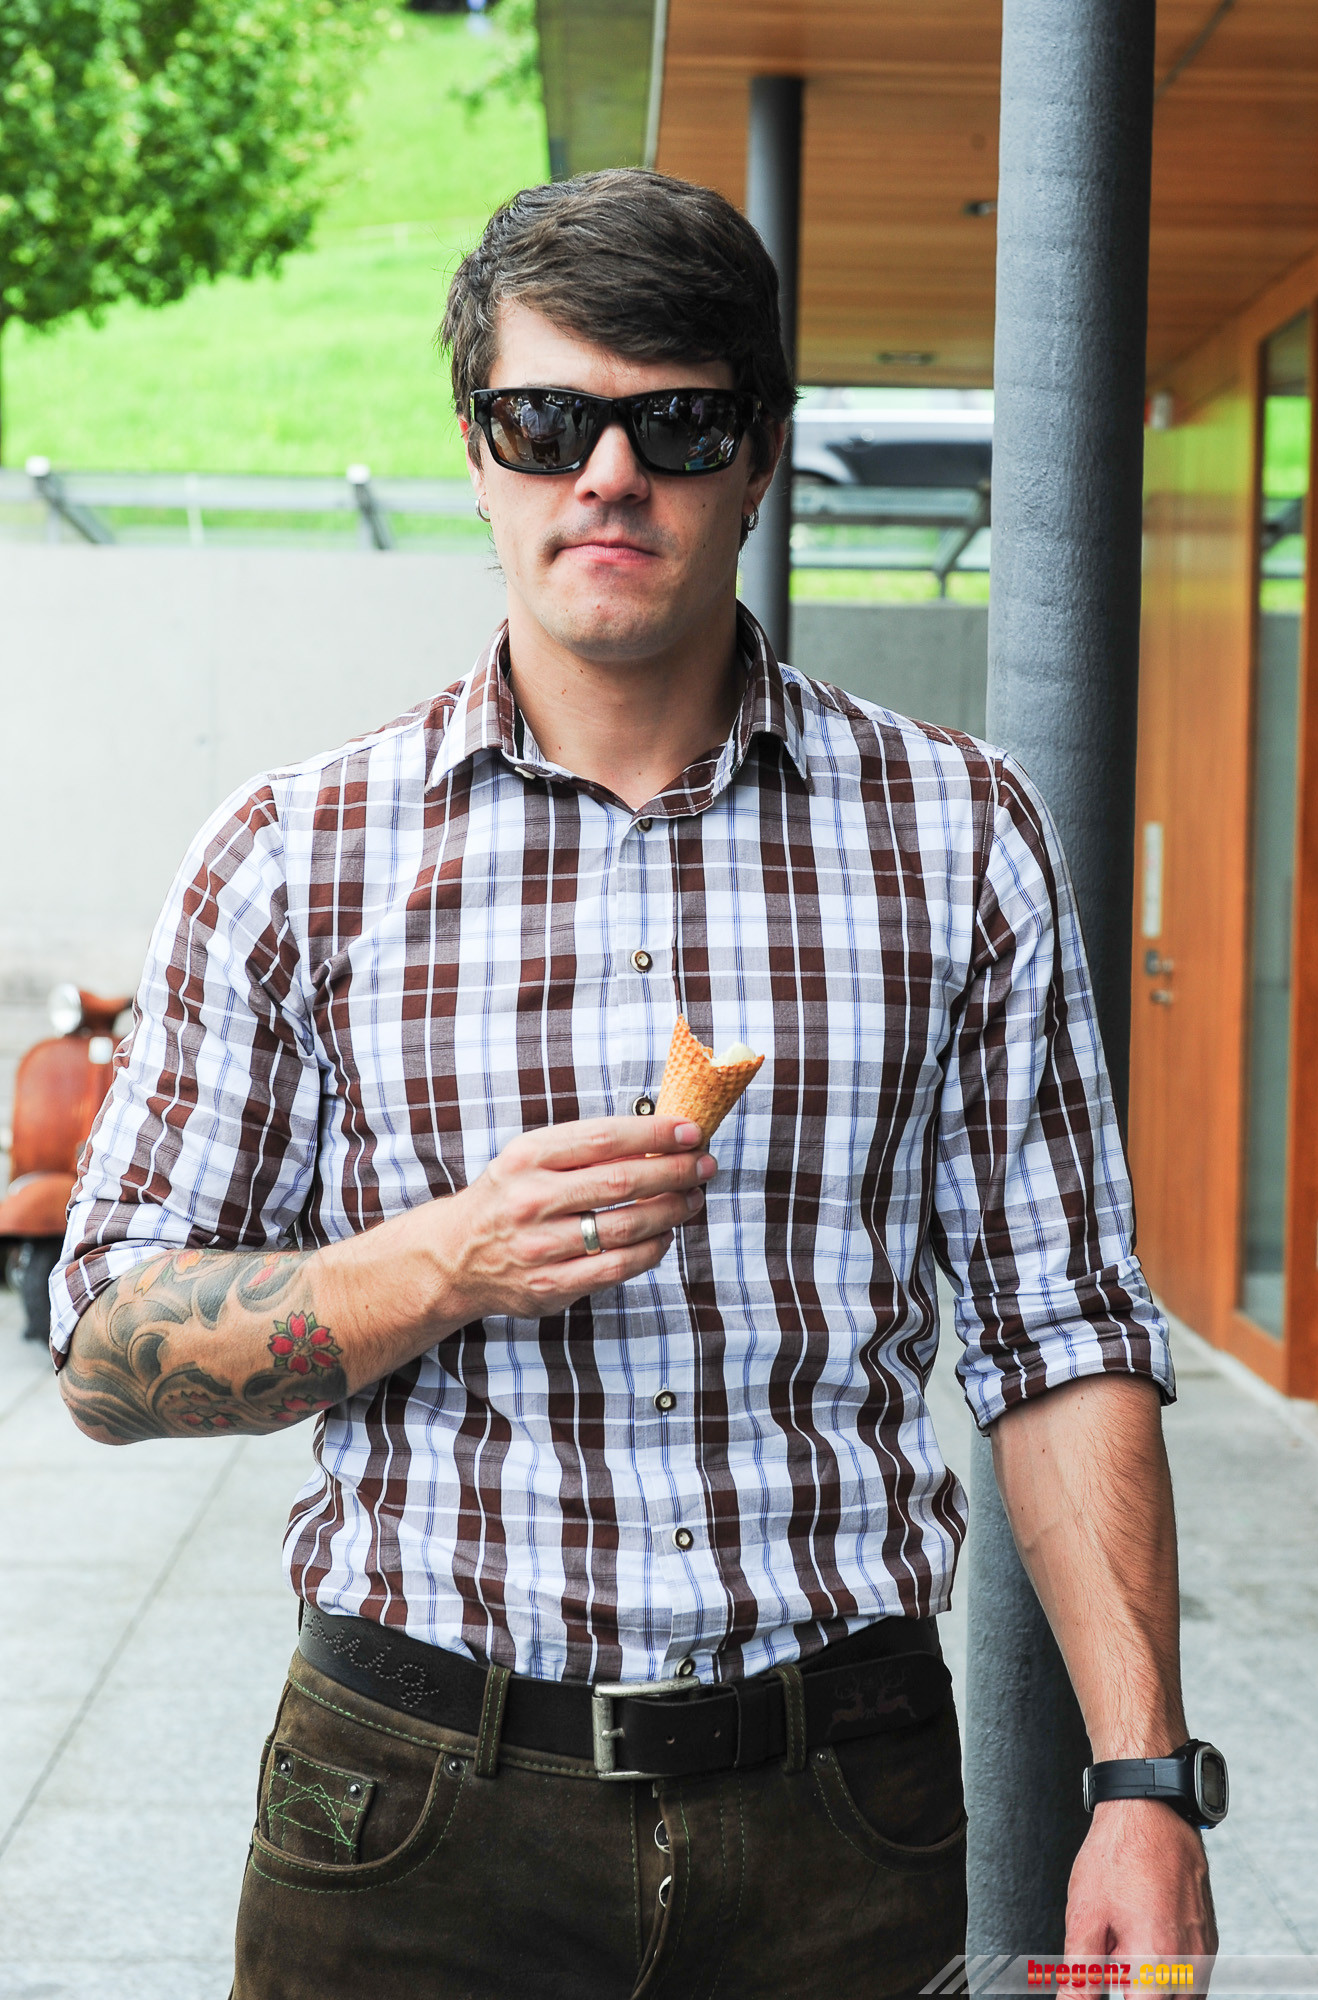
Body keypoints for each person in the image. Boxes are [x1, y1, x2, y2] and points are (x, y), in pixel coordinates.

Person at [52, 169, 1216, 1999]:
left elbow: (1058, 1334)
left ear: (760, 458)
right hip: (413, 1806)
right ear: (477, 449)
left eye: (677, 423)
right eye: (547, 421)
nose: (608, 475)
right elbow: (109, 1350)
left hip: (843, 1806)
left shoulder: (959, 835)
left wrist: (1143, 1783)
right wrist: (443, 1261)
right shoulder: (295, 855)